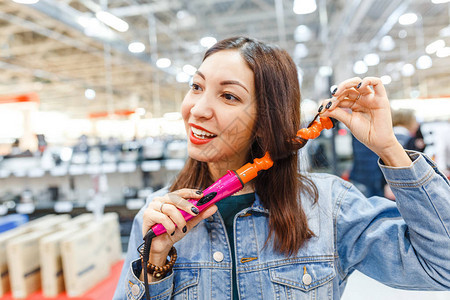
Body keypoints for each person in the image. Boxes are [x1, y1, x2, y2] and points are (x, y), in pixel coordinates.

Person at [113, 37, 450, 300]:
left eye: (228, 96)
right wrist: (155, 263)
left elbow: (442, 265)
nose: (198, 109)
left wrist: (389, 148)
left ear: (266, 120)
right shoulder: (159, 215)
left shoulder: (328, 208)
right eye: (197, 87)